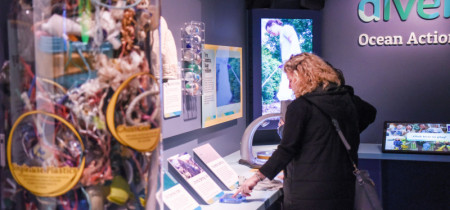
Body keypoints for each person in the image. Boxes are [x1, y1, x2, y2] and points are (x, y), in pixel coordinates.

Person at [233, 53, 377, 209]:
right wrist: (344, 133)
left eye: (290, 80)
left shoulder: (300, 106)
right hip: (343, 190)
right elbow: (371, 112)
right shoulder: (347, 99)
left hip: (308, 195)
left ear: (300, 77)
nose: (289, 86)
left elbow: (286, 149)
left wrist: (256, 178)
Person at [265, 19, 301, 101]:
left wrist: (292, 61)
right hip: (288, 64)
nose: (272, 34)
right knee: (286, 91)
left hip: (292, 64)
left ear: (274, 24)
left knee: (288, 91)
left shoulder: (286, 28)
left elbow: (294, 43)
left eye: (270, 31)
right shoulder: (281, 34)